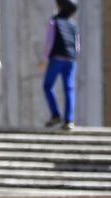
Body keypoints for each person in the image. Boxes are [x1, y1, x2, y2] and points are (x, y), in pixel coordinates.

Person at [40, 0, 79, 130]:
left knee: (47, 85)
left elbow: (49, 42)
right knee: (69, 88)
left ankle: (55, 114)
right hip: (71, 59)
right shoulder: (73, 24)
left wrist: (44, 59)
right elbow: (77, 45)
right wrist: (74, 57)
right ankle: (69, 120)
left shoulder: (54, 21)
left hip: (57, 58)